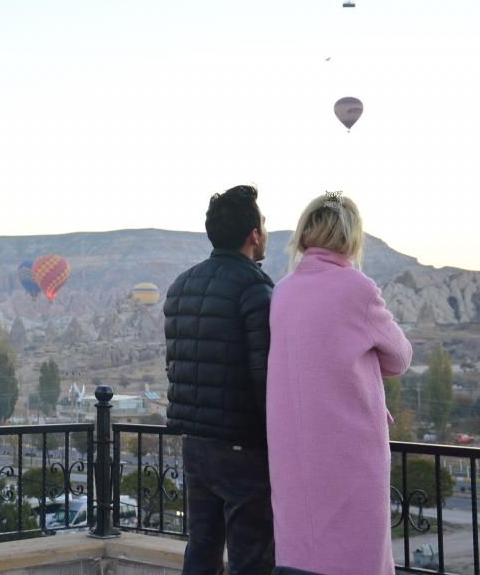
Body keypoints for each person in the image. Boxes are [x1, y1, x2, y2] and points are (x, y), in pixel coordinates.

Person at [266, 192, 412, 575]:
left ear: (303, 235)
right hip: (349, 446)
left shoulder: (282, 291)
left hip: (292, 447)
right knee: (356, 548)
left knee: (302, 543)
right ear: (350, 238)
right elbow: (400, 357)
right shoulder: (358, 289)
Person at [164, 185, 275, 575]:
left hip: (196, 445)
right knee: (252, 558)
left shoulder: (181, 286)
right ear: (254, 235)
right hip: (242, 448)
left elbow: (175, 367)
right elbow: (266, 379)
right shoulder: (254, 289)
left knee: (202, 550)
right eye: (262, 224)